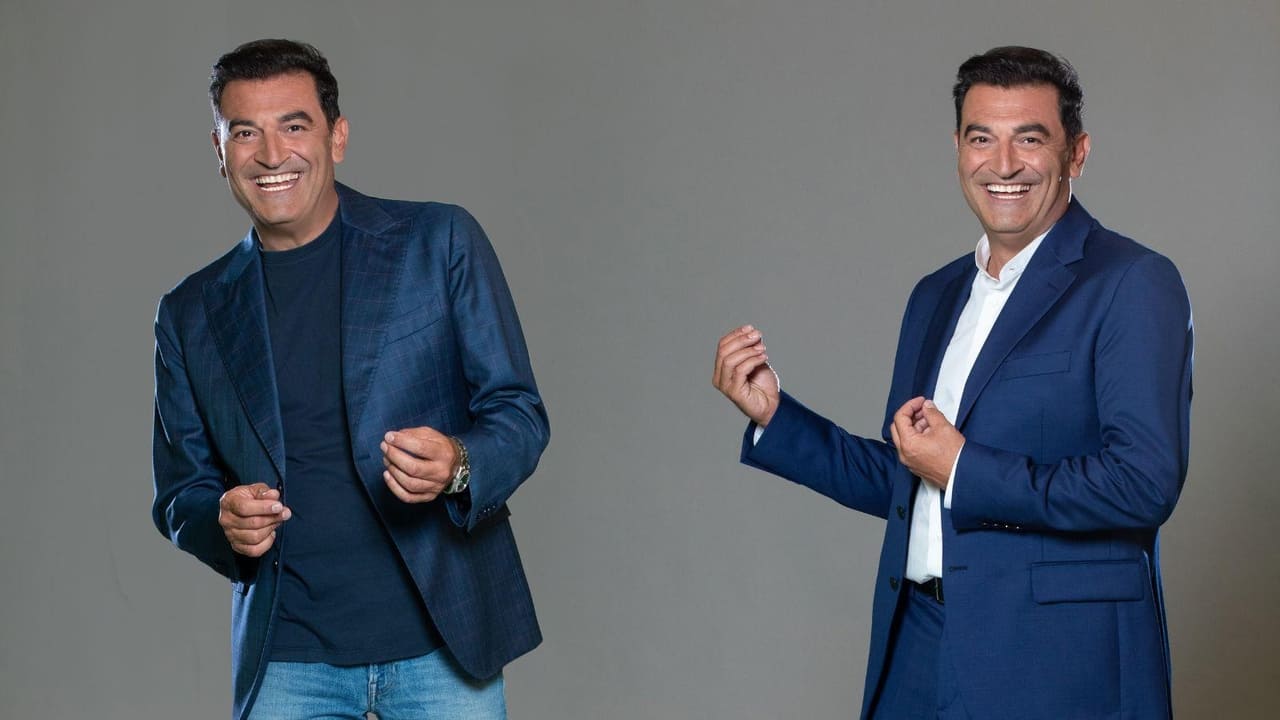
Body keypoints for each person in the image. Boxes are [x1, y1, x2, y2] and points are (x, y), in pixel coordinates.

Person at [713, 46, 1191, 719]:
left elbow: (1142, 483)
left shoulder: (1131, 283)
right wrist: (775, 416)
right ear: (958, 150)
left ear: (1077, 154)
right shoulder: (935, 295)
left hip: (1055, 660)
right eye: (981, 139)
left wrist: (964, 468)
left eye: (1030, 139)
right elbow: (909, 477)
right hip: (918, 643)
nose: (1003, 164)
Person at [151, 39, 549, 720]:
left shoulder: (439, 242)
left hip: (443, 646)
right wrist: (220, 520)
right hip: (286, 656)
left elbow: (518, 414)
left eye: (293, 125)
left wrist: (458, 463)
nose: (271, 154)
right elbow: (180, 493)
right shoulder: (190, 312)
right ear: (219, 151)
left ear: (336, 137)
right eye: (245, 133)